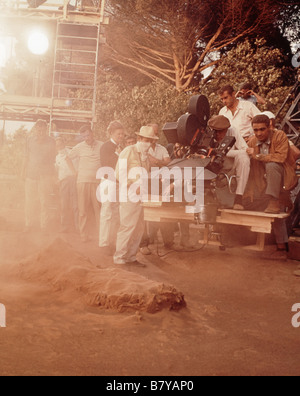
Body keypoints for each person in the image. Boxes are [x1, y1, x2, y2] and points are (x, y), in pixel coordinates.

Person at [243, 114, 298, 259]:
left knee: (273, 167)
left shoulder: (280, 136)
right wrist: (249, 190)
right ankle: (280, 249)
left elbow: (280, 158)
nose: (259, 133)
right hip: (263, 183)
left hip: (282, 178)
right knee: (271, 212)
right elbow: (249, 167)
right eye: (256, 130)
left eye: (262, 129)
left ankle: (281, 249)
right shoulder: (252, 142)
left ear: (269, 127)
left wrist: (258, 156)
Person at [113, 126, 159, 267]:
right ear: (139, 139)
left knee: (139, 227)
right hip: (129, 193)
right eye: (146, 140)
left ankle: (131, 256)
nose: (148, 143)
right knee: (127, 225)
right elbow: (119, 174)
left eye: (151, 141)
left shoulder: (145, 156)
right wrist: (133, 186)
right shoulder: (128, 151)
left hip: (141, 194)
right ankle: (119, 257)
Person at [67, 125, 103, 243]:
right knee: (83, 210)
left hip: (97, 182)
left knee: (98, 210)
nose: (87, 138)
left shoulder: (101, 145)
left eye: (88, 135)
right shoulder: (79, 147)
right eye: (84, 136)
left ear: (92, 133)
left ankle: (100, 235)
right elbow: (67, 158)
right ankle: (84, 234)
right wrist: (74, 172)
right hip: (82, 181)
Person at [208, 115, 250, 210]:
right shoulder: (207, 135)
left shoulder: (233, 131)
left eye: (221, 131)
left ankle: (239, 198)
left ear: (227, 128)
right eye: (216, 131)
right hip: (213, 166)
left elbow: (245, 150)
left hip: (229, 166)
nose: (218, 134)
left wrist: (223, 152)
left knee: (244, 157)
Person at [22, 119, 56, 232]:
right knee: (29, 201)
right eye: (38, 128)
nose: (40, 131)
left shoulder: (52, 141)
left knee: (44, 201)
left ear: (46, 129)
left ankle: (44, 226)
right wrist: (22, 172)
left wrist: (52, 175)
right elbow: (26, 157)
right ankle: (28, 224)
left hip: (45, 176)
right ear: (36, 129)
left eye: (43, 129)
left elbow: (53, 159)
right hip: (30, 175)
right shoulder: (29, 140)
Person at [99, 121, 125, 255]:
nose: (121, 136)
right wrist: (119, 155)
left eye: (122, 134)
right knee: (106, 213)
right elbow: (106, 165)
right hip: (108, 182)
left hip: (118, 183)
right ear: (111, 133)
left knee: (116, 214)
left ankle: (112, 242)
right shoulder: (105, 147)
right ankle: (103, 243)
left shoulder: (122, 147)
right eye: (118, 134)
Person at [55, 138, 78, 233]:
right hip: (63, 181)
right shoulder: (57, 157)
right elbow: (57, 170)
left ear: (64, 143)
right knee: (64, 204)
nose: (59, 147)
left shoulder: (71, 153)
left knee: (75, 205)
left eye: (61, 144)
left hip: (73, 180)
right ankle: (65, 226)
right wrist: (58, 179)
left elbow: (77, 166)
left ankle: (77, 227)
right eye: (57, 145)